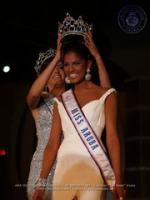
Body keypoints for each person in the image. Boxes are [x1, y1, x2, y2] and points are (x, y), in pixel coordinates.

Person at [33, 13, 126, 200]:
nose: (71, 69)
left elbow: (113, 138)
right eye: (66, 64)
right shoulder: (62, 100)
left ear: (88, 64)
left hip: (93, 168)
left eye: (76, 63)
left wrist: (118, 179)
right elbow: (52, 144)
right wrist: (41, 182)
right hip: (63, 170)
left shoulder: (106, 95)